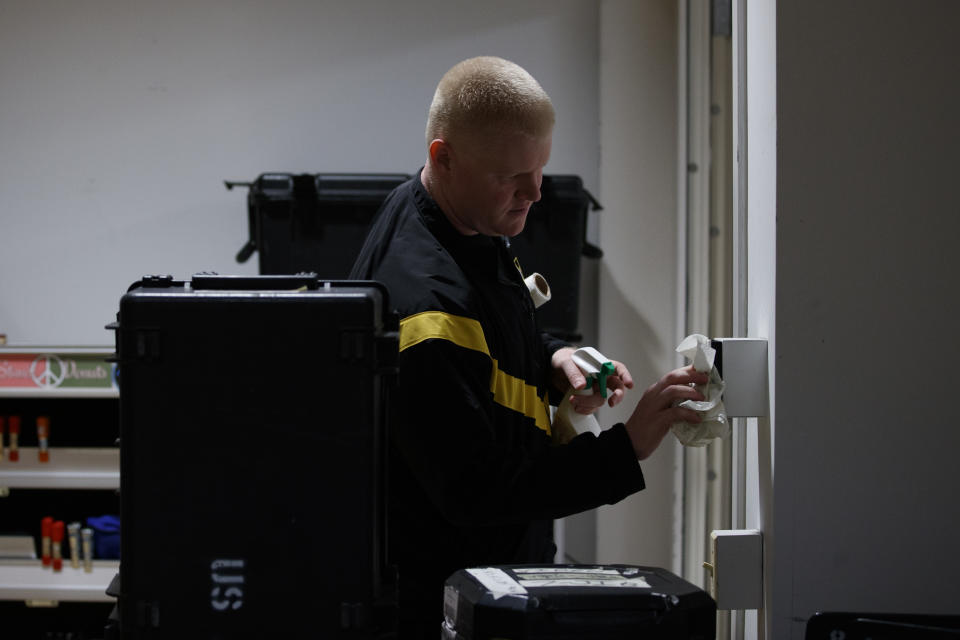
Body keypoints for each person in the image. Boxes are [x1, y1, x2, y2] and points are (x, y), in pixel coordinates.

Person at [349, 56, 707, 638]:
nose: (535, 192)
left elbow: (492, 330)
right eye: (511, 177)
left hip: (490, 569)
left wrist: (554, 359)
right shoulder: (426, 307)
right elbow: (479, 490)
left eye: (540, 168)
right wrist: (626, 449)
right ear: (445, 158)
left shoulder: (461, 217)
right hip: (443, 603)